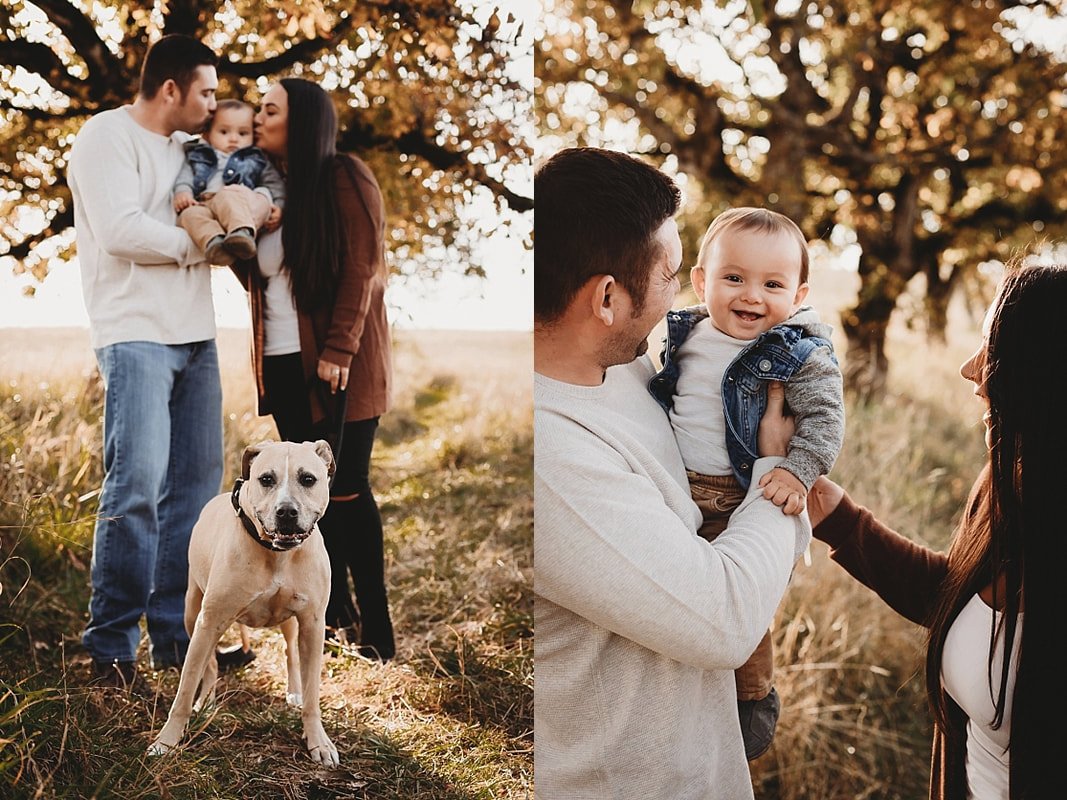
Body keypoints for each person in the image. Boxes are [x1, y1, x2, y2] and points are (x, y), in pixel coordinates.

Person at [534, 147, 811, 799]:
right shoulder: (550, 451)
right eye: (667, 275)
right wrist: (777, 466)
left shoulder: (627, 367)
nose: (679, 295)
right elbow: (723, 618)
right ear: (606, 296)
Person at [807, 263, 1066, 799]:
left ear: (1043, 369)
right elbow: (955, 596)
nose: (970, 370)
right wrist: (839, 520)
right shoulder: (1007, 481)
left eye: (993, 348)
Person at [647, 207, 845, 759]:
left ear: (799, 294)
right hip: (677, 491)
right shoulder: (683, 333)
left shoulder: (799, 353)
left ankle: (750, 700)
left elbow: (826, 421)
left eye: (772, 284)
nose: (751, 296)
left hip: (743, 497)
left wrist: (793, 469)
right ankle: (680, 701)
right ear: (701, 281)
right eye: (733, 278)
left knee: (743, 604)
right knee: (678, 601)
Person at [67, 34, 223, 688]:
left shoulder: (193, 153)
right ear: (170, 89)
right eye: (207, 91)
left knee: (193, 493)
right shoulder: (104, 138)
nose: (215, 103)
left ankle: (175, 637)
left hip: (197, 337)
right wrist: (203, 247)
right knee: (135, 490)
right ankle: (109, 646)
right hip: (135, 334)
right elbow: (121, 229)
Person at [229, 77, 395, 661]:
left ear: (302, 121)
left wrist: (340, 350)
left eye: (269, 109)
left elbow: (362, 268)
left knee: (346, 489)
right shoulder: (265, 187)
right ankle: (337, 615)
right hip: (281, 361)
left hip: (337, 364)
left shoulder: (344, 176)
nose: (257, 117)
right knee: (308, 493)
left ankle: (377, 631)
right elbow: (255, 276)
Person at [173, 98, 284, 266]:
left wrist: (279, 205)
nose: (233, 139)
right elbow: (185, 175)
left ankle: (241, 233)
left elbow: (274, 184)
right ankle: (214, 243)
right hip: (203, 203)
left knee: (229, 196)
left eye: (243, 133)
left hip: (234, 200)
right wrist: (183, 192)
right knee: (188, 215)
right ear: (208, 134)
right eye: (224, 132)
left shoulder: (255, 158)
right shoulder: (199, 154)